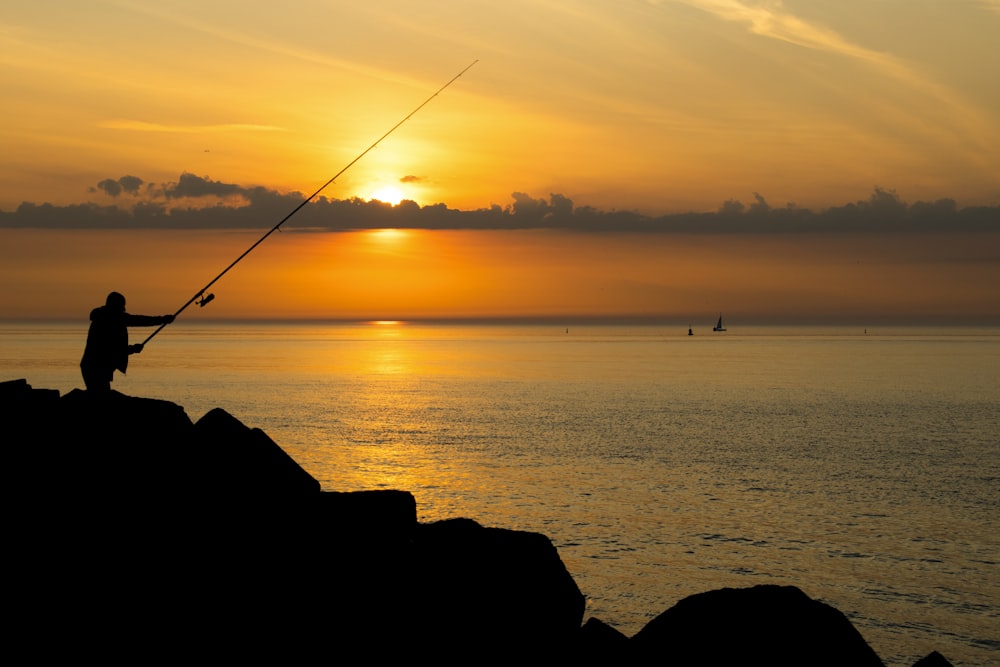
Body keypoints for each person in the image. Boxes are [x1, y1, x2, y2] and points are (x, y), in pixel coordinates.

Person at [80, 291, 174, 392]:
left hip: (93, 366)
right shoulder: (112, 318)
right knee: (101, 396)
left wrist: (162, 320)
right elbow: (111, 349)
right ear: (116, 306)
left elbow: (113, 348)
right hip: (96, 367)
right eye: (121, 307)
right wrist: (162, 320)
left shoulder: (104, 317)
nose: (123, 310)